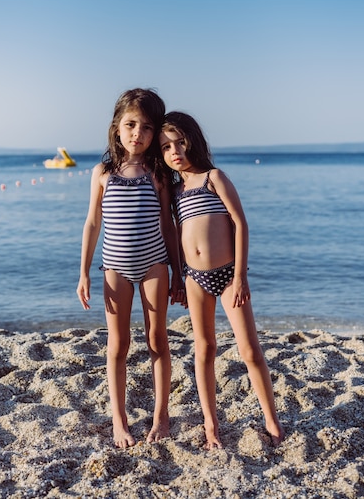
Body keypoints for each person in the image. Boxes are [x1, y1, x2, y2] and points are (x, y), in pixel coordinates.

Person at [159, 111, 285, 449]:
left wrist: (241, 275)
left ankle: (271, 421)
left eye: (180, 142)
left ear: (193, 141)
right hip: (194, 277)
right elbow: (173, 235)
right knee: (205, 348)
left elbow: (240, 224)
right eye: (167, 147)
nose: (175, 151)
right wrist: (176, 274)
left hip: (230, 275)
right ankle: (211, 423)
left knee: (249, 350)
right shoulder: (173, 191)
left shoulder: (214, 177)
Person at [76, 89, 184, 449]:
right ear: (116, 128)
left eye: (147, 127)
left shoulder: (157, 173)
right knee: (118, 345)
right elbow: (92, 223)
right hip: (115, 269)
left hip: (155, 265)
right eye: (130, 124)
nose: (138, 133)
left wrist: (179, 272)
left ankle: (161, 414)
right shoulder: (103, 172)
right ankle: (119, 420)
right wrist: (84, 272)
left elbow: (168, 226)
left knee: (157, 340)